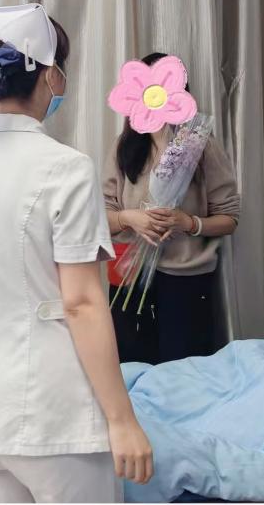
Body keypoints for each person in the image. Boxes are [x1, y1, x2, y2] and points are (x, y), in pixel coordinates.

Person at [0, 4, 153, 503]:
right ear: (51, 75)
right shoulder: (67, 169)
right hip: (53, 416)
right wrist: (122, 420)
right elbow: (83, 303)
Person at [103, 52, 240, 365]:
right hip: (129, 278)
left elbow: (230, 218)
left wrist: (188, 223)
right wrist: (129, 219)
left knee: (184, 371)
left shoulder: (200, 145)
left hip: (186, 280)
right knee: (132, 369)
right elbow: (99, 218)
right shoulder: (123, 147)